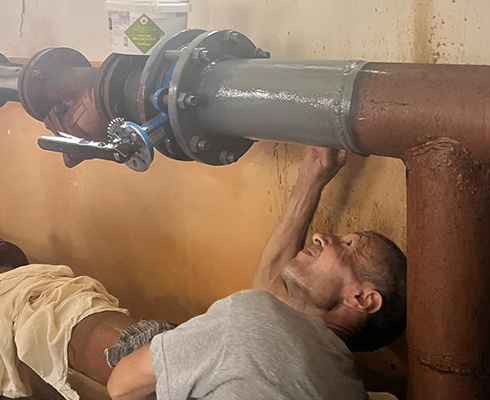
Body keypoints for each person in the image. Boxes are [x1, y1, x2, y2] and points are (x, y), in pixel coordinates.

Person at [0, 147, 407, 400]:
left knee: (70, 312)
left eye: (348, 246)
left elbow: (122, 385)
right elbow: (269, 303)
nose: (324, 236)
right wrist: (310, 178)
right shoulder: (345, 385)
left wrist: (176, 348)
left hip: (116, 353)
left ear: (362, 299)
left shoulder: (249, 322)